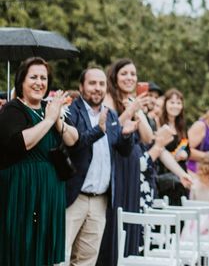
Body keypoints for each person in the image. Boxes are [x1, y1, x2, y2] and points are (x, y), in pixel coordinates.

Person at [0, 57, 79, 265]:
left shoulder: (49, 108)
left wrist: (57, 119)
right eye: (33, 77)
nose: (39, 82)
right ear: (22, 81)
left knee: (42, 252)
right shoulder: (12, 109)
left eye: (43, 78)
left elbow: (73, 138)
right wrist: (49, 120)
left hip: (49, 191)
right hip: (23, 190)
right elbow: (21, 143)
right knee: (22, 248)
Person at [65, 67, 136, 266]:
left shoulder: (111, 115)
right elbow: (74, 146)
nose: (97, 88)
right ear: (81, 87)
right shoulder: (71, 112)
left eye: (101, 84)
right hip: (74, 196)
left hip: (100, 200)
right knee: (60, 257)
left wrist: (126, 135)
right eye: (92, 83)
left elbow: (123, 151)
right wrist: (98, 130)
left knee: (86, 260)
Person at [98, 58, 154, 266]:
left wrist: (137, 109)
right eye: (124, 73)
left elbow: (148, 137)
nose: (129, 77)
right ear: (115, 76)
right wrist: (130, 111)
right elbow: (110, 130)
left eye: (133, 74)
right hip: (116, 162)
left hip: (132, 167)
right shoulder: (108, 99)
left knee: (131, 216)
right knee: (115, 218)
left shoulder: (133, 101)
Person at [156, 88, 190, 204]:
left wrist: (185, 154)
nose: (175, 106)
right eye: (172, 102)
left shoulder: (182, 126)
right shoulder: (159, 123)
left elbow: (187, 148)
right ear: (165, 104)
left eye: (178, 103)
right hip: (165, 174)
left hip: (181, 172)